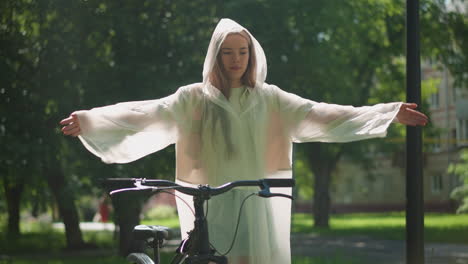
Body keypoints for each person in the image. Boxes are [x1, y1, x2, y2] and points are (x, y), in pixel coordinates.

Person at [60, 18, 428, 264]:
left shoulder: (270, 98)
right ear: (216, 56)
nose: (236, 59)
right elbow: (145, 113)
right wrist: (91, 120)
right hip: (209, 200)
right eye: (228, 52)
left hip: (256, 197)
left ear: (251, 55)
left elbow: (324, 114)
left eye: (242, 51)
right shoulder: (193, 98)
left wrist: (387, 112)